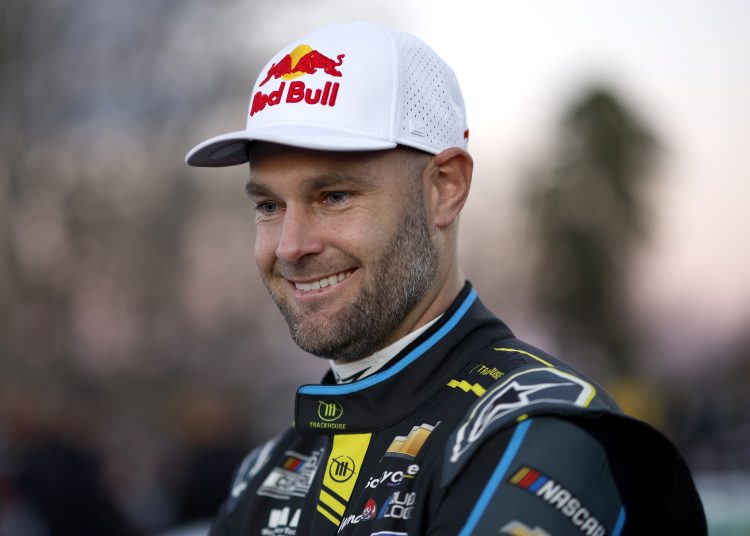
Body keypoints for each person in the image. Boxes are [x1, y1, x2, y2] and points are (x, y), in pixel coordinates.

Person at [185, 22, 706, 536]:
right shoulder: (269, 472)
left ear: (446, 188)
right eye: (269, 205)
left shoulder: (542, 439)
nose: (291, 246)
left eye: (334, 196)